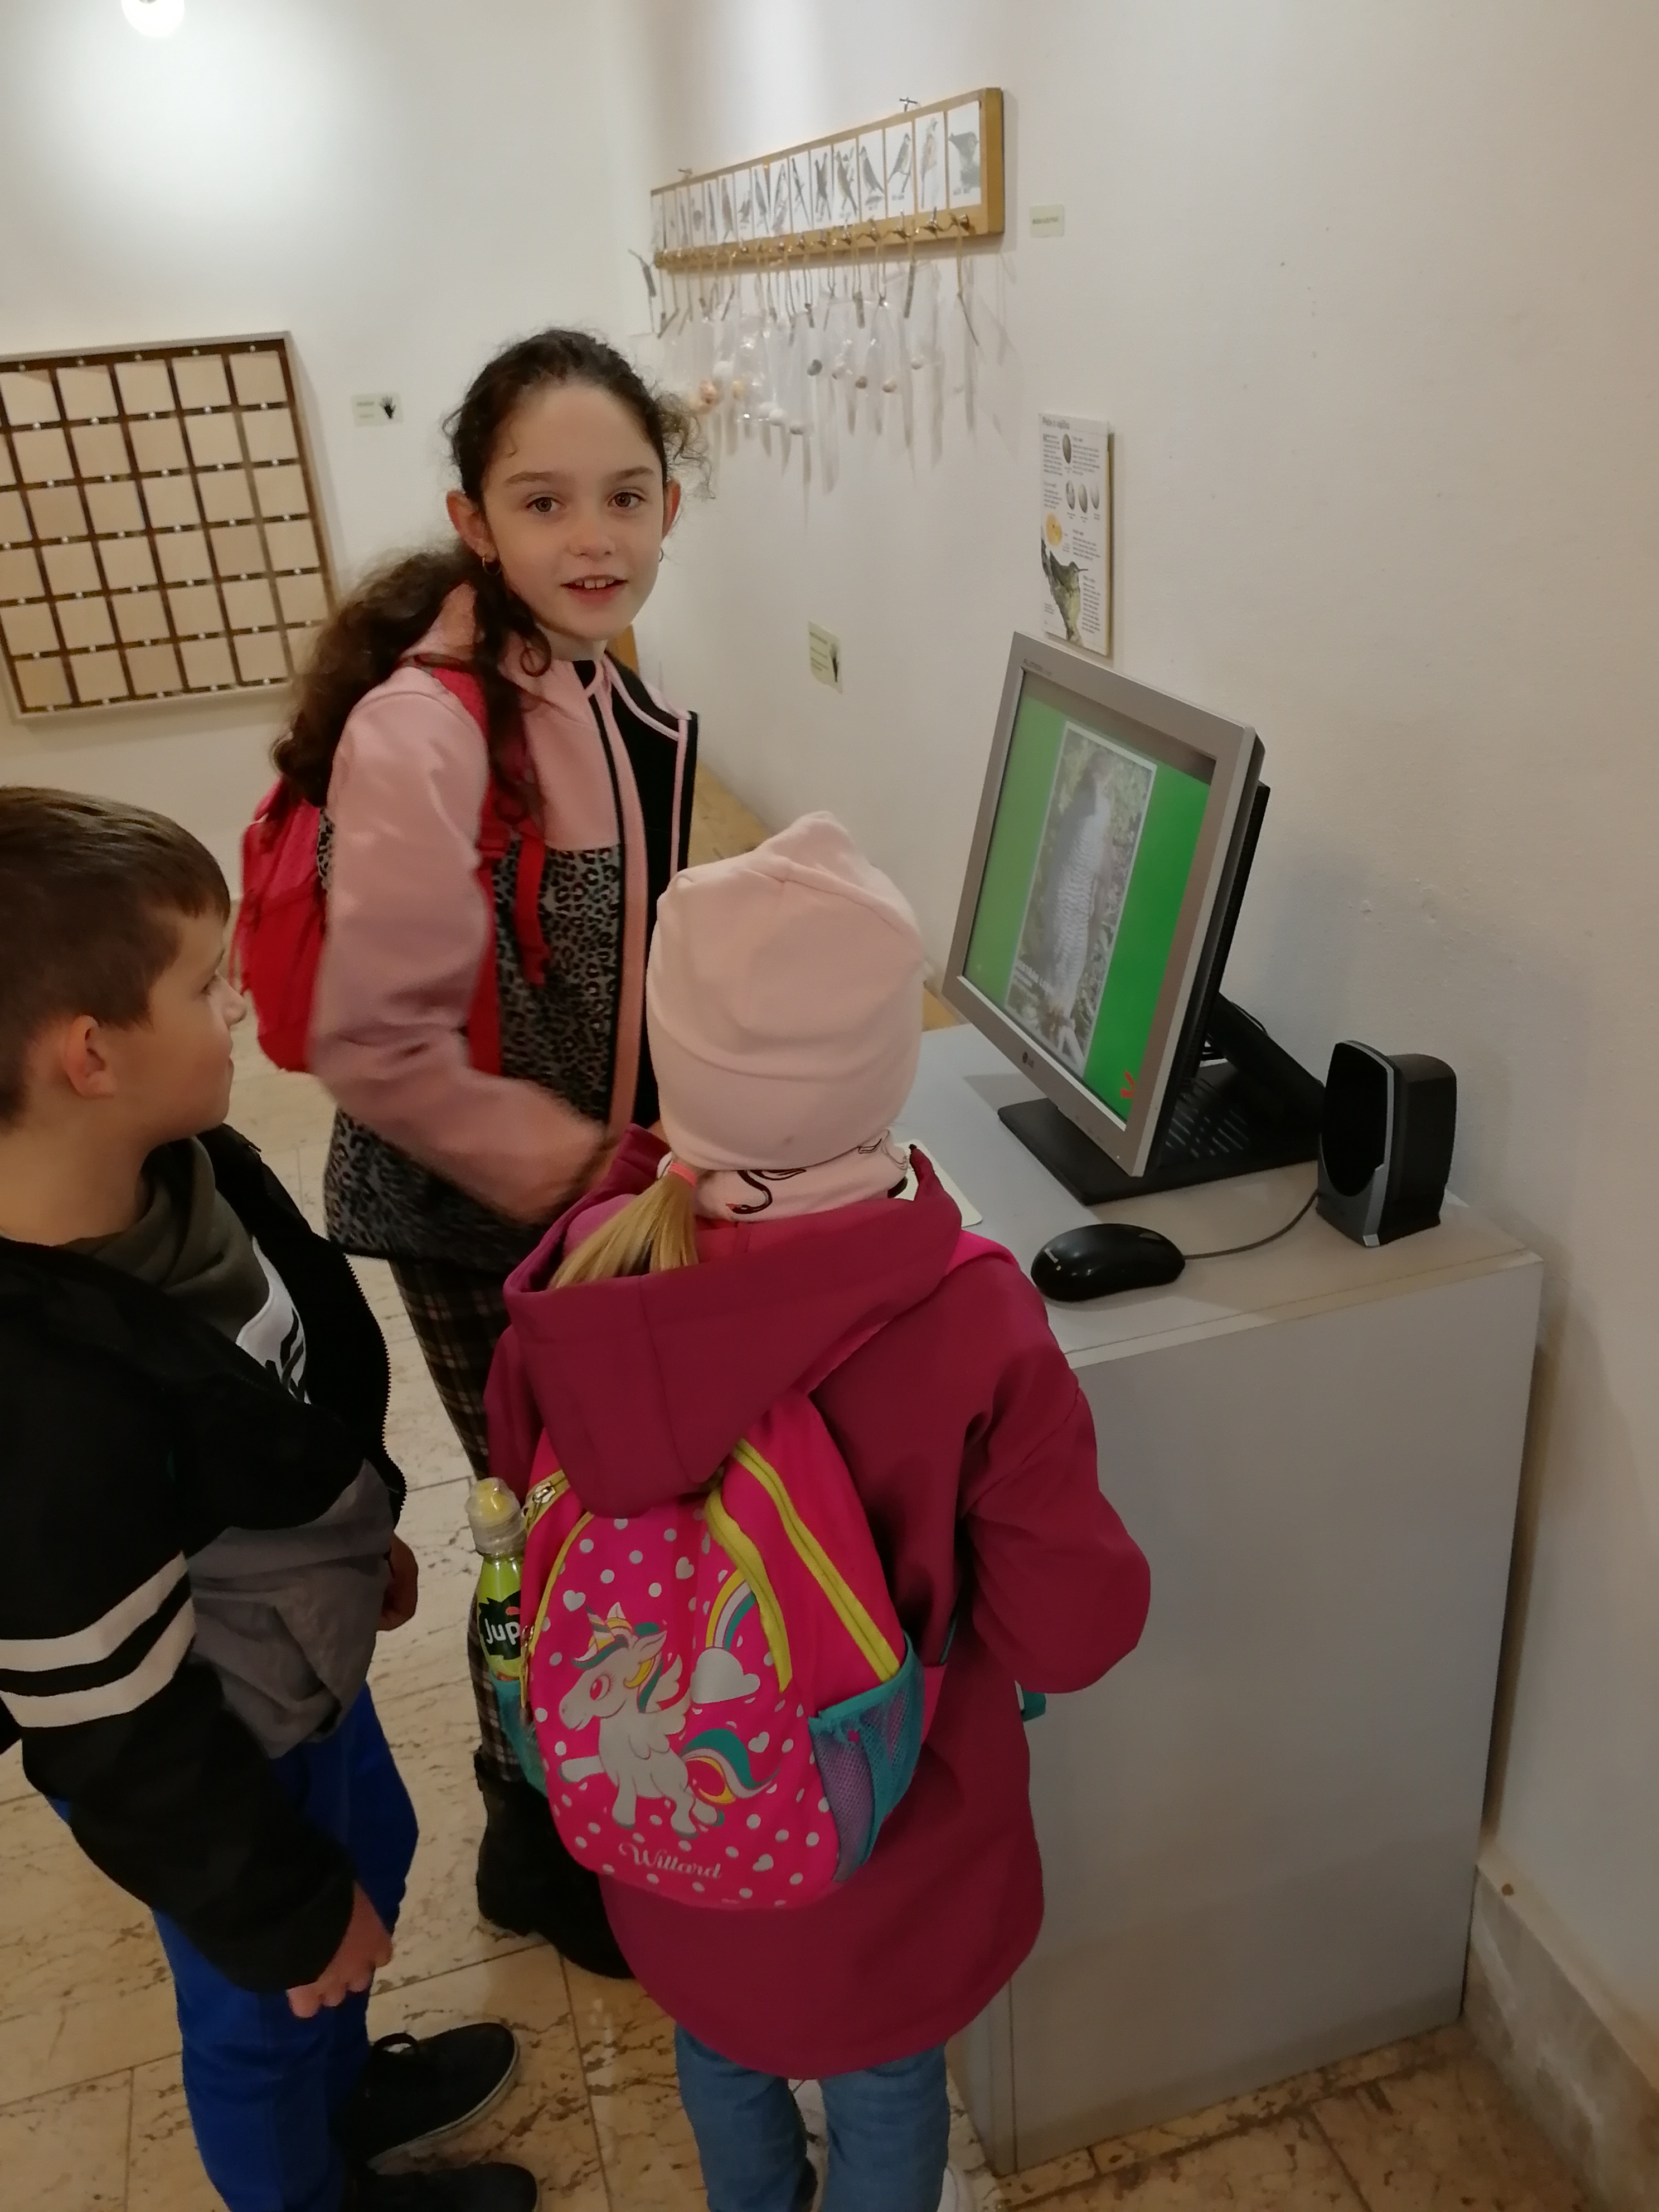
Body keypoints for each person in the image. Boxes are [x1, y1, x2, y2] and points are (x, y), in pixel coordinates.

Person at [484, 813, 1153, 2212]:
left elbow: (525, 1475)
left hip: (669, 1827)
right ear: (890, 1068)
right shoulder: (968, 1310)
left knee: (721, 2044)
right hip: (887, 1854)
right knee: (886, 2079)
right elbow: (1071, 1631)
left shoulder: (588, 1264)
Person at [0, 790, 536, 2212]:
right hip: (215, 1762)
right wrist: (274, 1906)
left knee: (376, 1857)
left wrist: (353, 1537)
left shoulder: (186, 1172)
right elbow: (113, 1729)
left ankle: (345, 2095)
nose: (237, 1004)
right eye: (205, 983)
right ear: (91, 1054)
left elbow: (288, 1397)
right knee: (268, 2001)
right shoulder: (39, 1405)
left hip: (303, 1663)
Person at [273, 329, 698, 1968]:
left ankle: (583, 1799)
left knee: (592, 1519)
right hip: (470, 1212)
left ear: (669, 506)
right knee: (541, 1535)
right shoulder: (430, 724)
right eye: (544, 501)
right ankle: (533, 1835)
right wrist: (588, 1172)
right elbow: (377, 1046)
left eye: (626, 496)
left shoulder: (579, 668)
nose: (594, 537)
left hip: (573, 1190)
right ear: (474, 518)